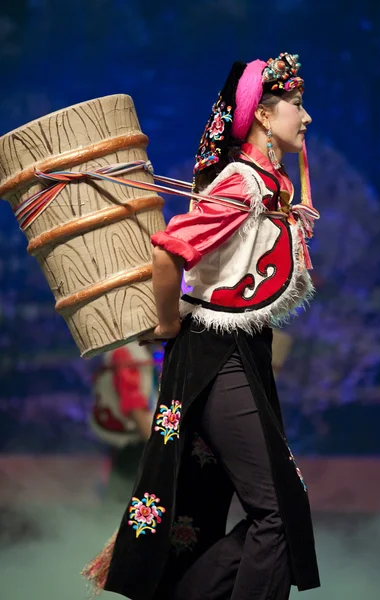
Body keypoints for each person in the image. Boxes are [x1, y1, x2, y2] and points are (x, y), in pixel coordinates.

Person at [83, 53, 320, 600]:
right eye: (297, 106)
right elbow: (168, 252)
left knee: (261, 509)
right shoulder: (242, 184)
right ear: (262, 114)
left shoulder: (269, 183)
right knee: (279, 512)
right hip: (218, 354)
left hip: (241, 351)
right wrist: (167, 325)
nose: (305, 119)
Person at [89, 342, 159, 503]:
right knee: (127, 497)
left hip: (138, 436)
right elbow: (133, 403)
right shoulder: (127, 351)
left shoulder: (138, 350)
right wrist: (155, 445)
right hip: (134, 439)